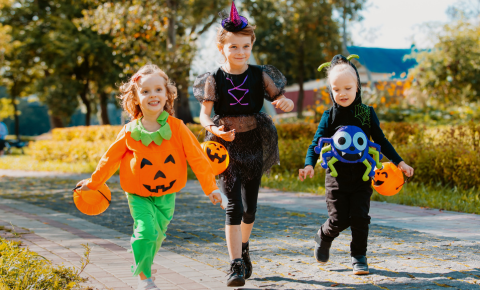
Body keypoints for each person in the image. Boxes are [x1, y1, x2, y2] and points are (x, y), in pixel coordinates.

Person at [76, 65, 224, 290]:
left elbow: (198, 158)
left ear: (167, 95)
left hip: (167, 194)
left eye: (158, 90)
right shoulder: (129, 131)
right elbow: (109, 160)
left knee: (157, 235)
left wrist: (211, 188)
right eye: (145, 91)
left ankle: (145, 264)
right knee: (146, 231)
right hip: (138, 194)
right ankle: (144, 277)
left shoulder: (177, 128)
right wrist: (94, 183)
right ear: (135, 98)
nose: (152, 95)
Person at [194, 1, 294, 286]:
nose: (240, 52)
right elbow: (204, 115)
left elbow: (279, 99)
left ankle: (245, 248)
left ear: (251, 45)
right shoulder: (213, 79)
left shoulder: (259, 74)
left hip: (253, 142)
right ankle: (235, 264)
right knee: (233, 207)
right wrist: (214, 128)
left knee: (250, 209)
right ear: (222, 48)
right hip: (223, 147)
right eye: (233, 47)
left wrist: (284, 101)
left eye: (245, 46)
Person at [299, 55, 414, 275]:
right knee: (338, 220)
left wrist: (399, 162)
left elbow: (381, 141)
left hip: (362, 176)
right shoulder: (329, 116)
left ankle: (358, 256)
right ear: (331, 90)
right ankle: (323, 235)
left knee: (361, 218)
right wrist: (309, 164)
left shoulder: (366, 113)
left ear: (357, 86)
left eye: (347, 88)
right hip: (336, 177)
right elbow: (316, 143)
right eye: (336, 89)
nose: (342, 93)